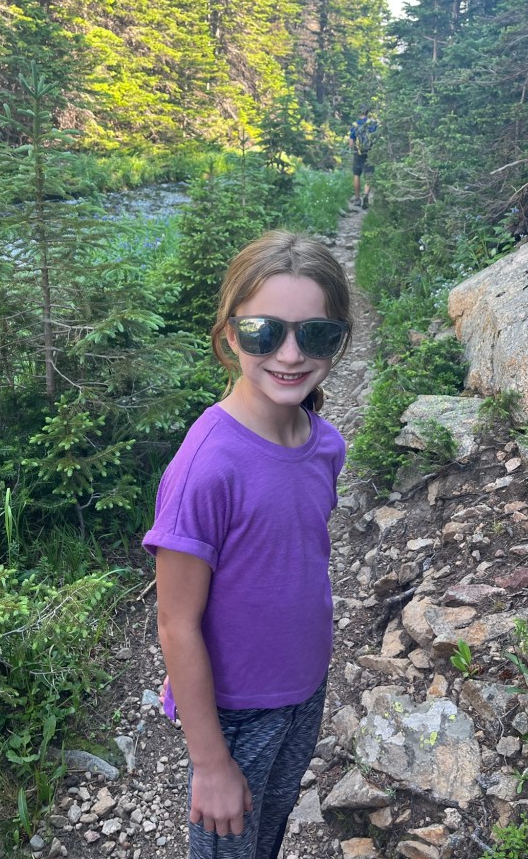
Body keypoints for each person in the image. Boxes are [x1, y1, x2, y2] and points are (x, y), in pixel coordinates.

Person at [142, 230, 352, 859]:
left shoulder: (325, 442)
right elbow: (176, 623)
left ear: (338, 340)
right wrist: (209, 762)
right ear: (231, 334)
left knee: (269, 830)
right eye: (265, 332)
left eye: (315, 335)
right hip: (234, 711)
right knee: (227, 846)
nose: (290, 354)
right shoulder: (208, 467)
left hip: (304, 686)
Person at [348, 106, 378, 209]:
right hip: (370, 153)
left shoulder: (355, 125)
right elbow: (376, 138)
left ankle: (357, 199)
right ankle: (366, 195)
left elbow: (351, 143)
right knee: (368, 175)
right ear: (367, 112)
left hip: (358, 153)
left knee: (357, 175)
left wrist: (353, 149)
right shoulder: (372, 124)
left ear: (359, 113)